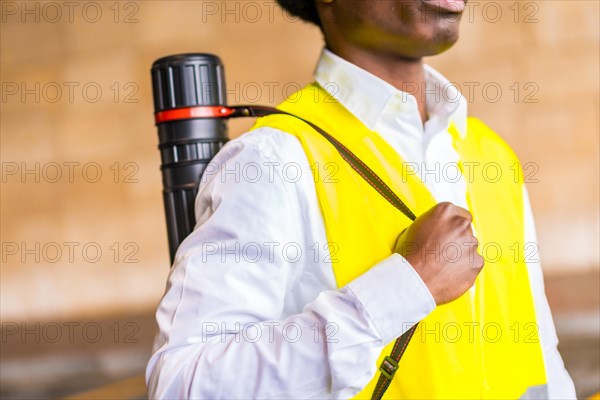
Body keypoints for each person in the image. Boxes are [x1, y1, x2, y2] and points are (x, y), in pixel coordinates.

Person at [146, 0, 576, 398]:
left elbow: (542, 364)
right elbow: (184, 382)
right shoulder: (274, 160)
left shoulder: (493, 158)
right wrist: (404, 287)